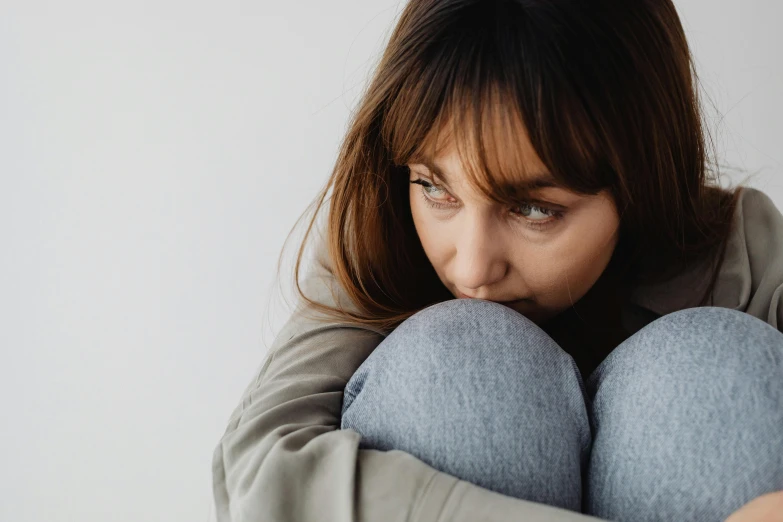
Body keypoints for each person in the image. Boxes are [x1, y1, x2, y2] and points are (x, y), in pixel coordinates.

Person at [212, 1, 783, 521]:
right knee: (461, 358)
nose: (471, 269)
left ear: (641, 183)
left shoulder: (741, 254)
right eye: (436, 189)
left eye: (533, 209)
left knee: (711, 363)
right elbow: (263, 477)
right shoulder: (379, 237)